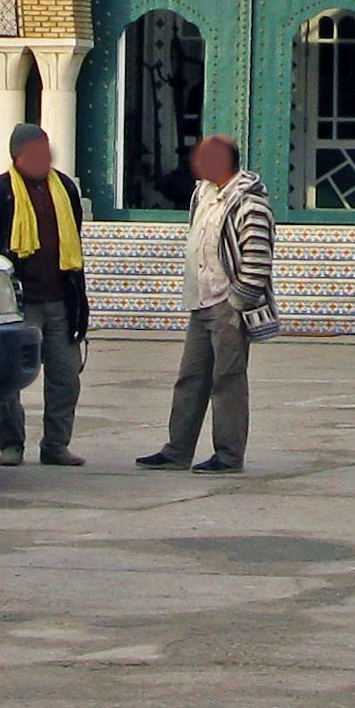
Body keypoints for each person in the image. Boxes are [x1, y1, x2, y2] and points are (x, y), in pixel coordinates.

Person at [138, 132, 273, 474]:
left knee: (227, 380)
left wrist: (238, 300)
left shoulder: (249, 203)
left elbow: (257, 260)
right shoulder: (203, 195)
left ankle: (228, 456)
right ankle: (177, 450)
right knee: (191, 378)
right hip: (200, 302)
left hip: (228, 305)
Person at [0, 124, 88, 467]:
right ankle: (11, 445)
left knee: (65, 378)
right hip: (17, 305)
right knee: (9, 381)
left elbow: (74, 245)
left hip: (60, 300)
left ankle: (56, 445)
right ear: (17, 156)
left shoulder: (65, 189)